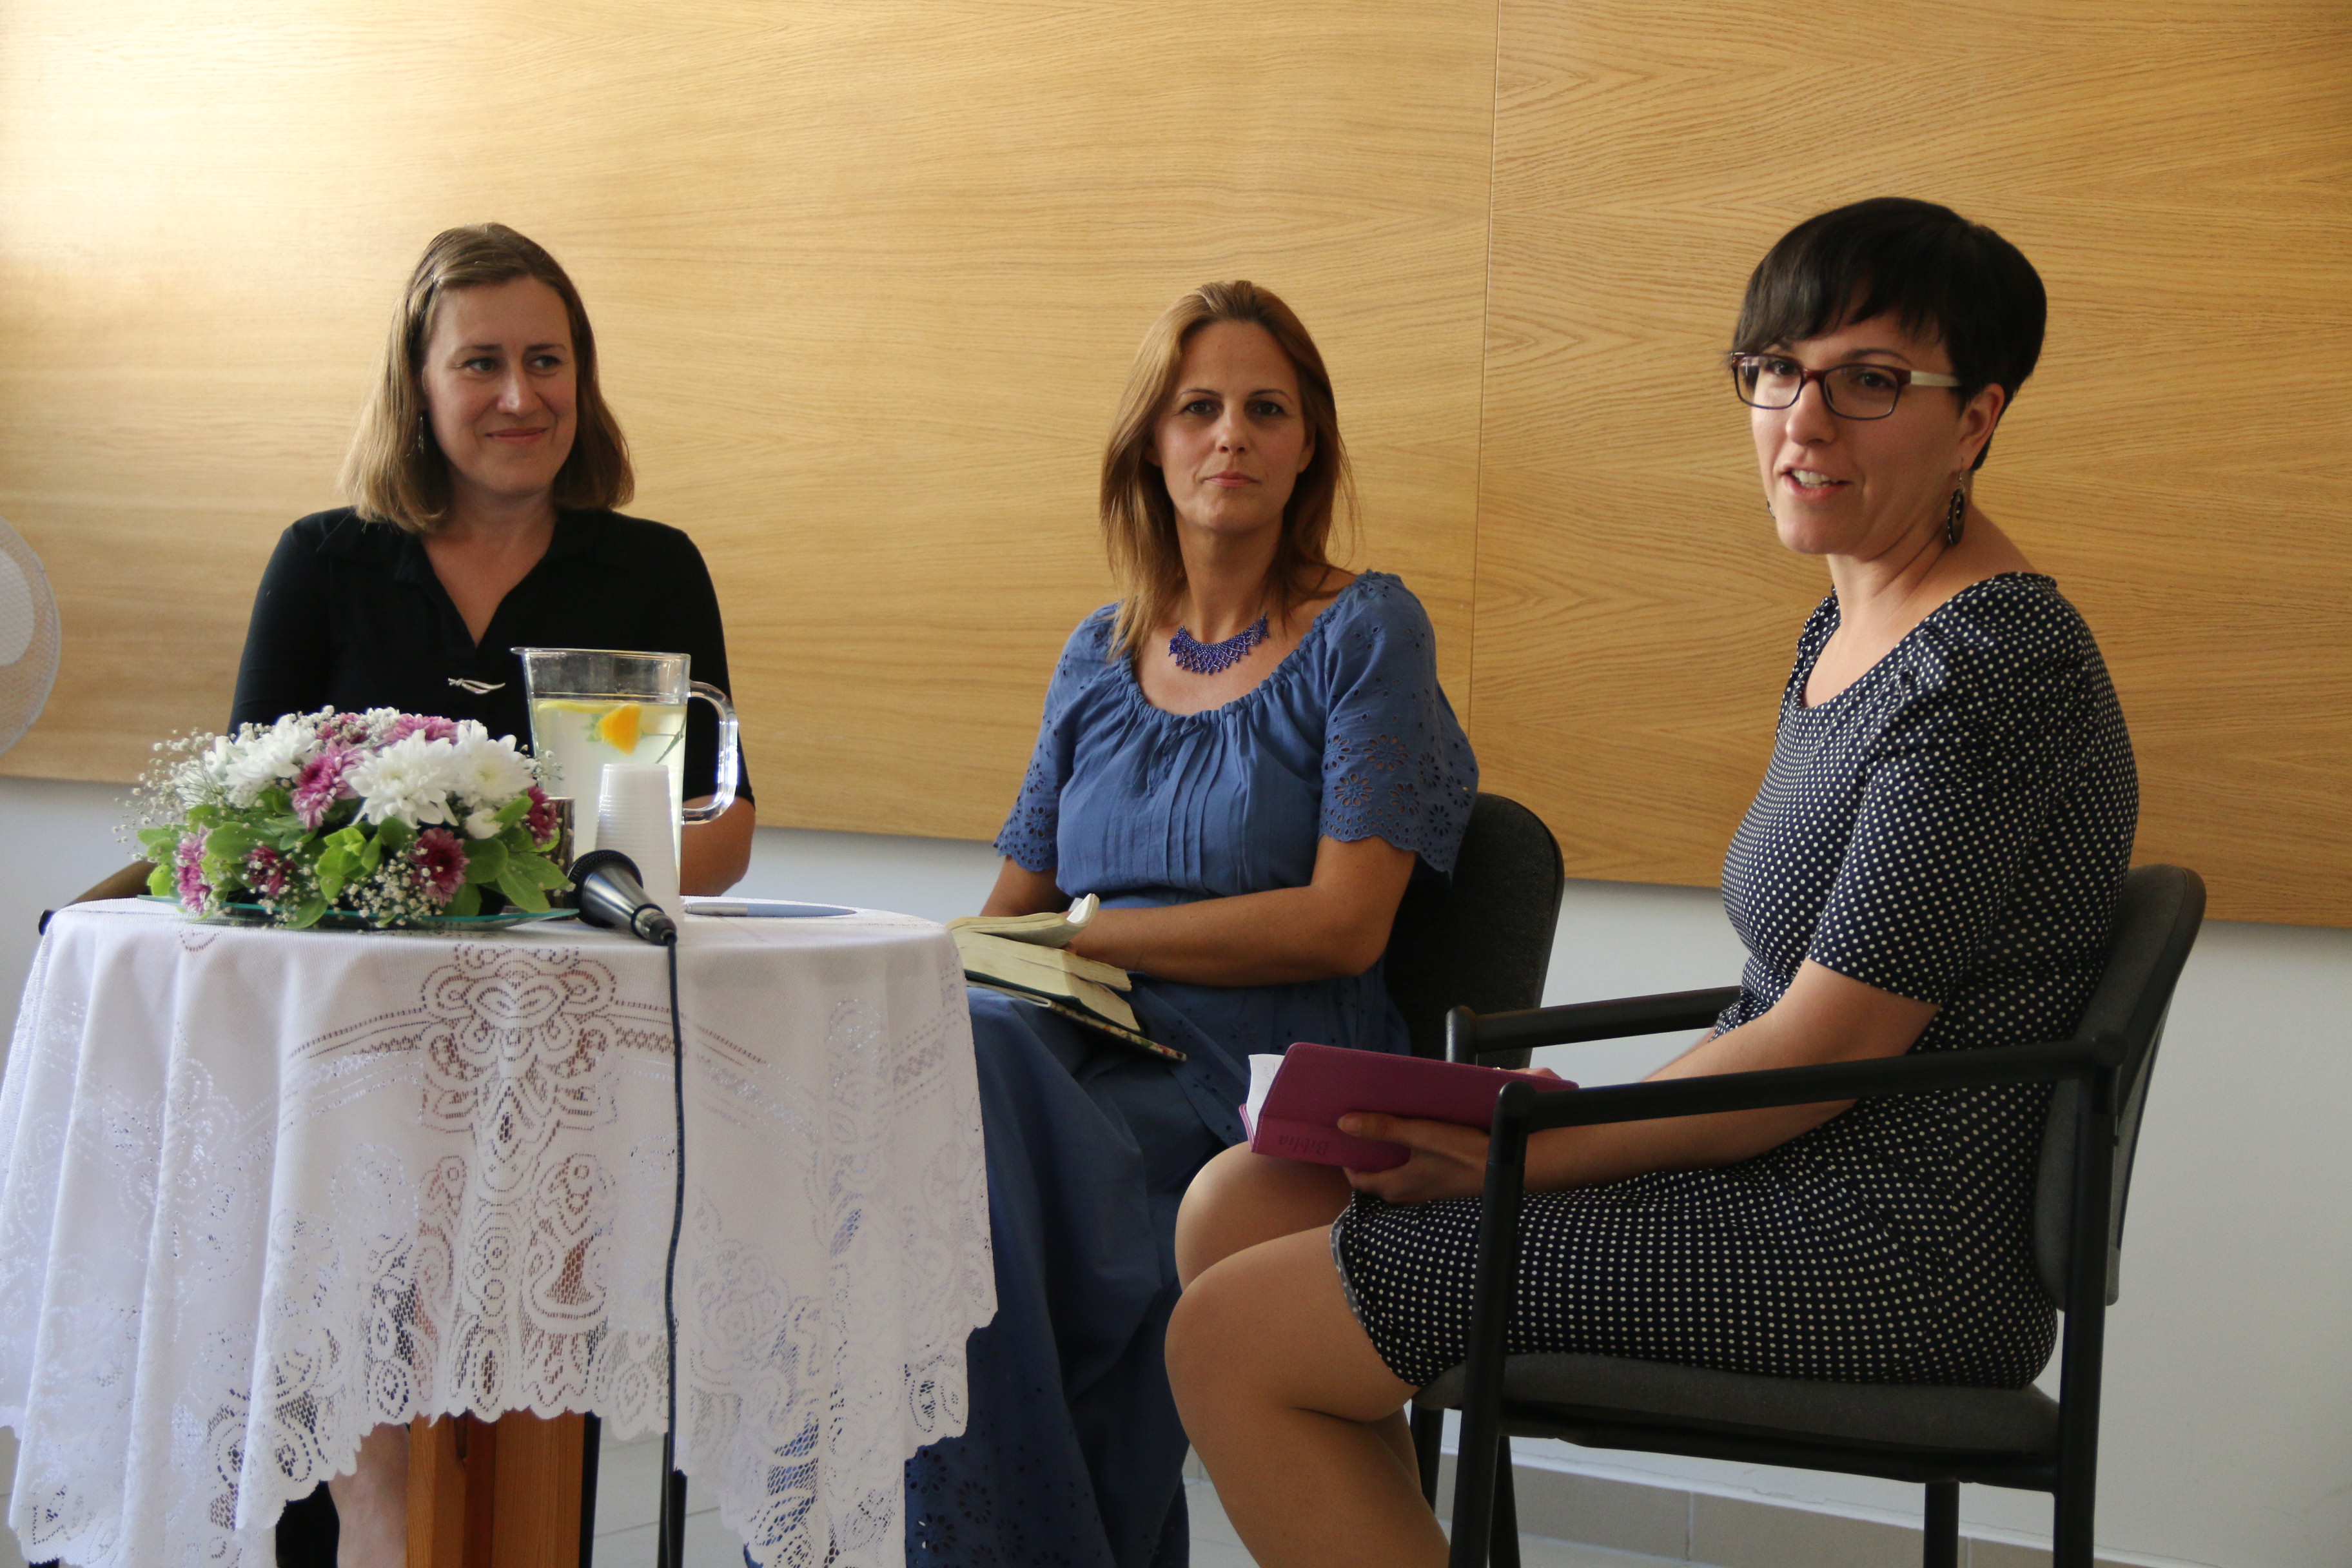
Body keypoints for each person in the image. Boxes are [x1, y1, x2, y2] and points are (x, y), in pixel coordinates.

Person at [1166, 198, 2139, 1568]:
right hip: (1783, 1177)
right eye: (1777, 371)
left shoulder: (1993, 665)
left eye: (1869, 382)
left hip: (1885, 1247)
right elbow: (1783, 1011)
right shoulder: (1850, 624)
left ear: (1976, 417)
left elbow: (1829, 1049)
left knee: (1229, 1338)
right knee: (1242, 1201)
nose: (1804, 423)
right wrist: (1530, 1131)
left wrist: (1528, 1149)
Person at [905, 280, 1477, 1566]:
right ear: (1150, 445)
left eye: (1266, 410)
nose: (1231, 436)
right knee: (949, 1091)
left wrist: (1098, 939)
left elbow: (1345, 926)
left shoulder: (1365, 631)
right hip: (1083, 1056)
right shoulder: (1096, 653)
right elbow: (1009, 921)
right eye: (1199, 408)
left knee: (991, 1230)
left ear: (1309, 444)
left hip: (1260, 1078)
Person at [230, 222, 754, 1567]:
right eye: (481, 363)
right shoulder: (325, 561)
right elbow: (250, 829)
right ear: (418, 384)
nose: (521, 395)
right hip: (356, 1058)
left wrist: (574, 857)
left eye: (548, 360)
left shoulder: (654, 569)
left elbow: (724, 829)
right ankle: (370, 1527)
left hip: (568, 1066)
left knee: (524, 1429)